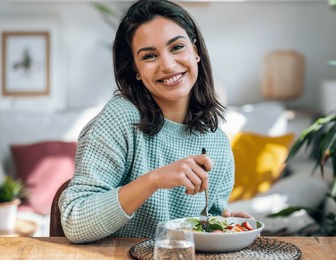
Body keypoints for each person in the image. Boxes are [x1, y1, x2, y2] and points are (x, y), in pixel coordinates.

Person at [59, 0, 252, 244]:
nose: (168, 65)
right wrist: (154, 180)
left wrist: (224, 225)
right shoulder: (119, 119)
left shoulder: (218, 144)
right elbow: (75, 222)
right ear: (136, 70)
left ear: (196, 51)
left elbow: (204, 223)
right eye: (149, 56)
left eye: (177, 47)